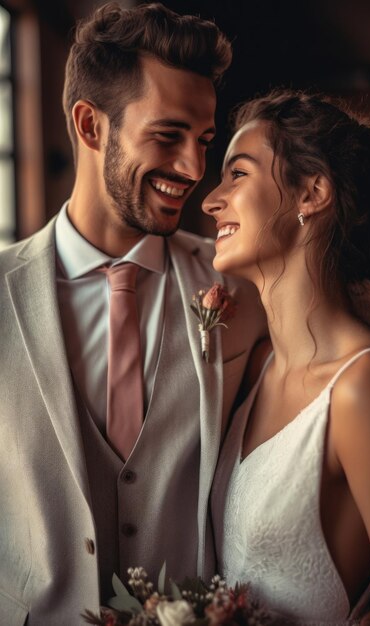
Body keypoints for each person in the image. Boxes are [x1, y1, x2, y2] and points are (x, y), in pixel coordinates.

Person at [0, 4, 268, 623]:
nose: (195, 170)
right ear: (91, 126)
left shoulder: (244, 292)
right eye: (167, 136)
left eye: (203, 142)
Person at [205, 90, 370, 625]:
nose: (211, 200)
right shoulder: (257, 370)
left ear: (313, 192)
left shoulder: (362, 387)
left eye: (239, 174)